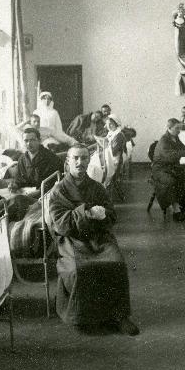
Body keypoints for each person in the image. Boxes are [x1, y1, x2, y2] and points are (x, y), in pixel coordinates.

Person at [47, 144, 139, 336]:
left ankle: (119, 316)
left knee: (116, 262)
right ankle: (82, 316)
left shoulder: (97, 188)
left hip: (98, 235)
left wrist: (103, 215)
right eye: (75, 158)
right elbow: (61, 224)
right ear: (68, 161)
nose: (80, 162)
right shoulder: (58, 191)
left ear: (89, 160)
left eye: (84, 158)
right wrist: (87, 213)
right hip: (72, 238)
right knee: (79, 269)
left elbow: (112, 216)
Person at [152, 118, 185, 221]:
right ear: (169, 128)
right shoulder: (164, 140)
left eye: (180, 128)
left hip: (170, 167)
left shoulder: (174, 137)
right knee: (171, 181)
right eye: (177, 128)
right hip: (160, 169)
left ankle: (182, 206)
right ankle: (176, 211)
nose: (179, 131)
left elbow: (182, 148)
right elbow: (171, 156)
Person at [10, 127, 64, 192]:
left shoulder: (50, 158)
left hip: (45, 194)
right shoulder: (22, 159)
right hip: (27, 193)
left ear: (39, 140)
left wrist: (37, 192)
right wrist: (16, 185)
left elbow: (53, 183)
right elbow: (20, 179)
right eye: (26, 141)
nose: (29, 143)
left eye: (32, 140)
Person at [104, 115, 127, 199]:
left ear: (116, 124)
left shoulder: (119, 135)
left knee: (110, 176)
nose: (109, 126)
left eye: (111, 124)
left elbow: (113, 152)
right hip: (110, 157)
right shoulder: (111, 133)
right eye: (108, 124)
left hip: (116, 160)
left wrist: (104, 146)